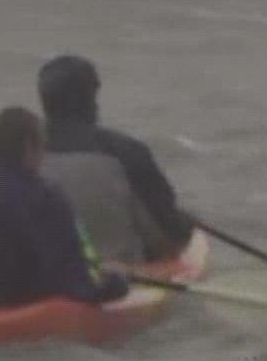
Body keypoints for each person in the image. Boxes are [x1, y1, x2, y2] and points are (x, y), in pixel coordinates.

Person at [0, 106, 131, 309]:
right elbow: (78, 284)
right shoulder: (45, 196)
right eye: (42, 147)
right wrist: (117, 283)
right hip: (18, 309)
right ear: (29, 145)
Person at [36, 54, 195, 265]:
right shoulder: (126, 151)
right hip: (119, 275)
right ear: (90, 98)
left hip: (36, 275)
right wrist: (188, 224)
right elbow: (170, 227)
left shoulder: (17, 152)